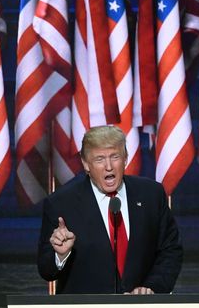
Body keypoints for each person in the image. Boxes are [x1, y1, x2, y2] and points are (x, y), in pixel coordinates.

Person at [37, 125, 183, 294]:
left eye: (115, 157)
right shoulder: (61, 204)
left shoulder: (151, 194)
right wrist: (60, 255)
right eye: (99, 159)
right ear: (86, 164)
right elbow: (46, 270)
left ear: (126, 158)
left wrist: (151, 287)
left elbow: (170, 251)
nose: (109, 167)